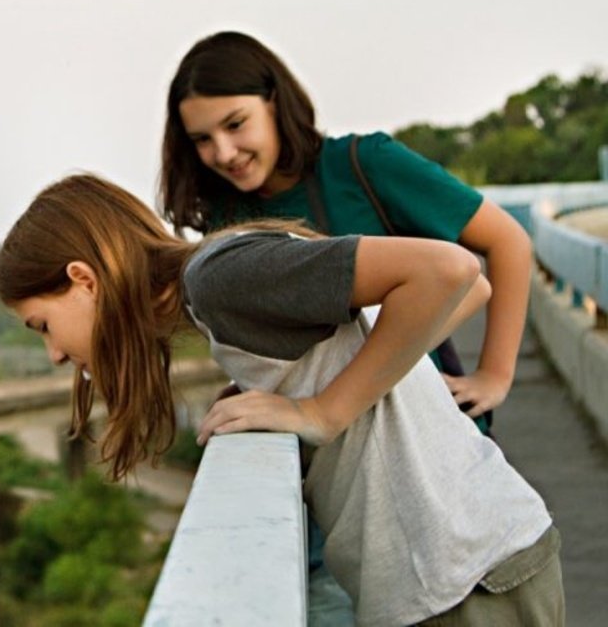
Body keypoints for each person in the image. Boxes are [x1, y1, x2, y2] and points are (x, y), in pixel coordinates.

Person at [0, 174, 563, 626]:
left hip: (462, 580)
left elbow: (451, 272)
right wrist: (345, 378)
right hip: (473, 565)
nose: (54, 354)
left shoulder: (218, 280)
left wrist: (323, 410)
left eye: (42, 324)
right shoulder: (221, 290)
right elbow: (467, 292)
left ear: (83, 279)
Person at [159, 30, 532, 434]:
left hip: (422, 433)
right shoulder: (225, 219)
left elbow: (506, 241)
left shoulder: (362, 164)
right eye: (202, 139)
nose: (224, 152)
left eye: (236, 124)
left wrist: (494, 375)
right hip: (332, 462)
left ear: (275, 103)